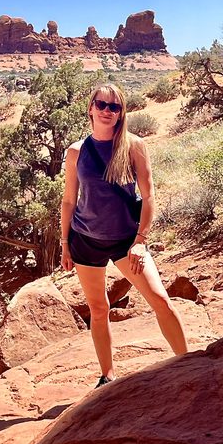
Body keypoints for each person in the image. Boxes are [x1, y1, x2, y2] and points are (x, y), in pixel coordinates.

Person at [61, 83, 188, 387]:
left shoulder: (133, 145)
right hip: (85, 239)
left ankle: (189, 364)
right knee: (99, 308)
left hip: (125, 241)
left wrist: (141, 241)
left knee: (160, 299)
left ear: (121, 113)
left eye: (114, 107)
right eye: (102, 105)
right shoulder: (76, 152)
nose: (107, 111)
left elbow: (148, 195)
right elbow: (68, 200)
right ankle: (107, 376)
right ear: (90, 108)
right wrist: (65, 244)